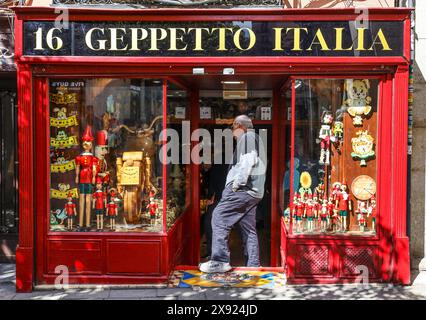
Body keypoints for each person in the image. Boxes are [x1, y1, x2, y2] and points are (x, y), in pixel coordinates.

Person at [199, 115, 267, 273]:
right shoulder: (255, 138)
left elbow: (248, 160)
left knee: (218, 217)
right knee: (248, 228)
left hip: (243, 190)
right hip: (254, 193)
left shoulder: (248, 137)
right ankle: (253, 264)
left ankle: (220, 260)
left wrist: (237, 184)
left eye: (232, 129)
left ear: (240, 126)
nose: (231, 133)